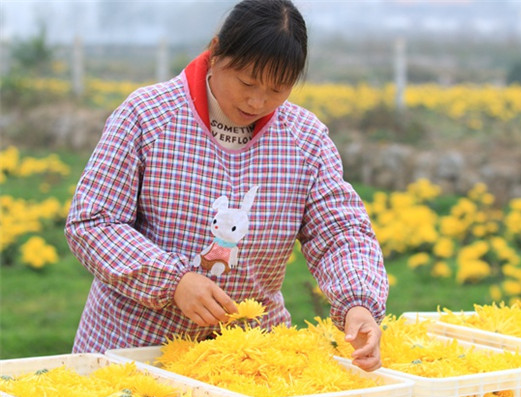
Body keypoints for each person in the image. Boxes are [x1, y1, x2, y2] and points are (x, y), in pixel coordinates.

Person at [65, 0, 388, 372]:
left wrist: (359, 305)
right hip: (134, 348)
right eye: (247, 82)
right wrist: (174, 282)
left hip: (249, 356)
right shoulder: (148, 116)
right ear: (216, 52)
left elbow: (340, 233)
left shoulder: (304, 140)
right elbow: (93, 221)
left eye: (277, 89)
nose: (257, 101)